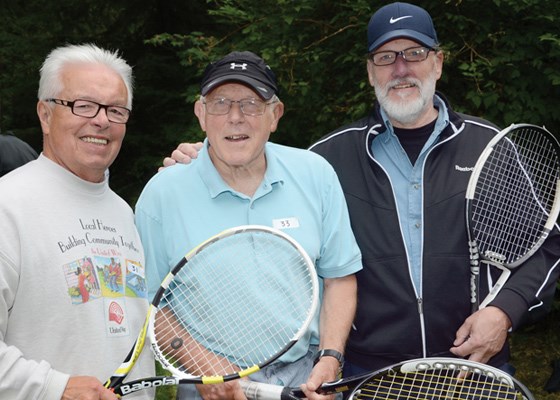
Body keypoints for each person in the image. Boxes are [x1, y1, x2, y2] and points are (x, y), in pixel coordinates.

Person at [165, 2, 560, 381]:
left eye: (414, 53)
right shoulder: (324, 160)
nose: (401, 68)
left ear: (438, 63)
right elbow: (252, 176)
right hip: (365, 377)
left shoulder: (489, 147)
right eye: (386, 58)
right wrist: (204, 159)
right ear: (371, 72)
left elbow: (543, 247)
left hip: (472, 369)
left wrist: (505, 312)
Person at [135, 50, 362, 400]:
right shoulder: (162, 193)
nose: (235, 118)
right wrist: (203, 366)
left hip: (303, 378)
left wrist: (330, 358)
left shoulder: (316, 175)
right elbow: (149, 303)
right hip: (208, 383)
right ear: (201, 114)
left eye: (252, 104)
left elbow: (339, 277)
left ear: (275, 115)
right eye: (221, 103)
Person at [0, 43, 155, 400]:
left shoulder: (122, 212)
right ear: (45, 114)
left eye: (116, 110)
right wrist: (55, 387)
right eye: (83, 105)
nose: (101, 120)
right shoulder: (9, 206)